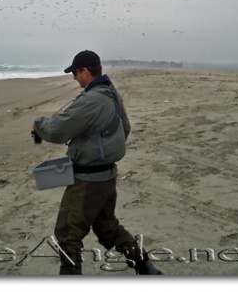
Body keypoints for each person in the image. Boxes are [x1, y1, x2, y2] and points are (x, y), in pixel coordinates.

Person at [31, 50, 163, 275]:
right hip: (107, 176)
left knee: (67, 234)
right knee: (107, 227)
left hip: (88, 181)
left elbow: (58, 129)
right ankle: (147, 269)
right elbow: (126, 128)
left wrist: (39, 125)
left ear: (85, 71)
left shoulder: (93, 99)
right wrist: (104, 148)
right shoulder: (111, 92)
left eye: (74, 72)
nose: (74, 78)